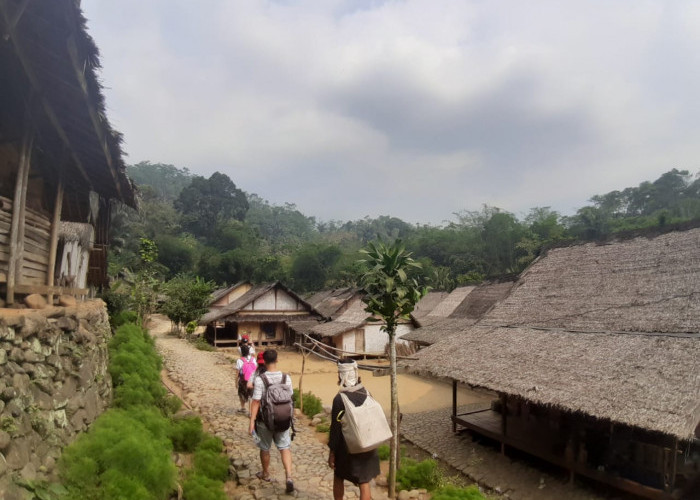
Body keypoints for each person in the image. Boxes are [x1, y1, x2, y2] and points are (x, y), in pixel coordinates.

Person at [328, 359, 380, 500]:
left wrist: (332, 452)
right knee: (364, 480)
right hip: (367, 443)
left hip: (348, 448)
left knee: (338, 476)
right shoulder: (366, 393)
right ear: (356, 373)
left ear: (341, 375)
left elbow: (335, 428)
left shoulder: (339, 399)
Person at [249, 349, 295, 494]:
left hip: (265, 421)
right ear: (276, 360)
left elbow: (256, 401)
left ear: (264, 362)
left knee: (265, 447)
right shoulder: (286, 377)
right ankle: (289, 476)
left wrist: (251, 422)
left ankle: (266, 473)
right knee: (284, 447)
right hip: (283, 419)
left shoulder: (260, 379)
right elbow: (290, 397)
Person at [235, 344, 257, 414]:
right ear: (248, 351)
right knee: (251, 395)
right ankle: (250, 412)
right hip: (252, 380)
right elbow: (256, 369)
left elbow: (237, 373)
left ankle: (243, 407)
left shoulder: (239, 360)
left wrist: (236, 382)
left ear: (241, 352)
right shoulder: (253, 359)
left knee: (241, 393)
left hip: (243, 380)